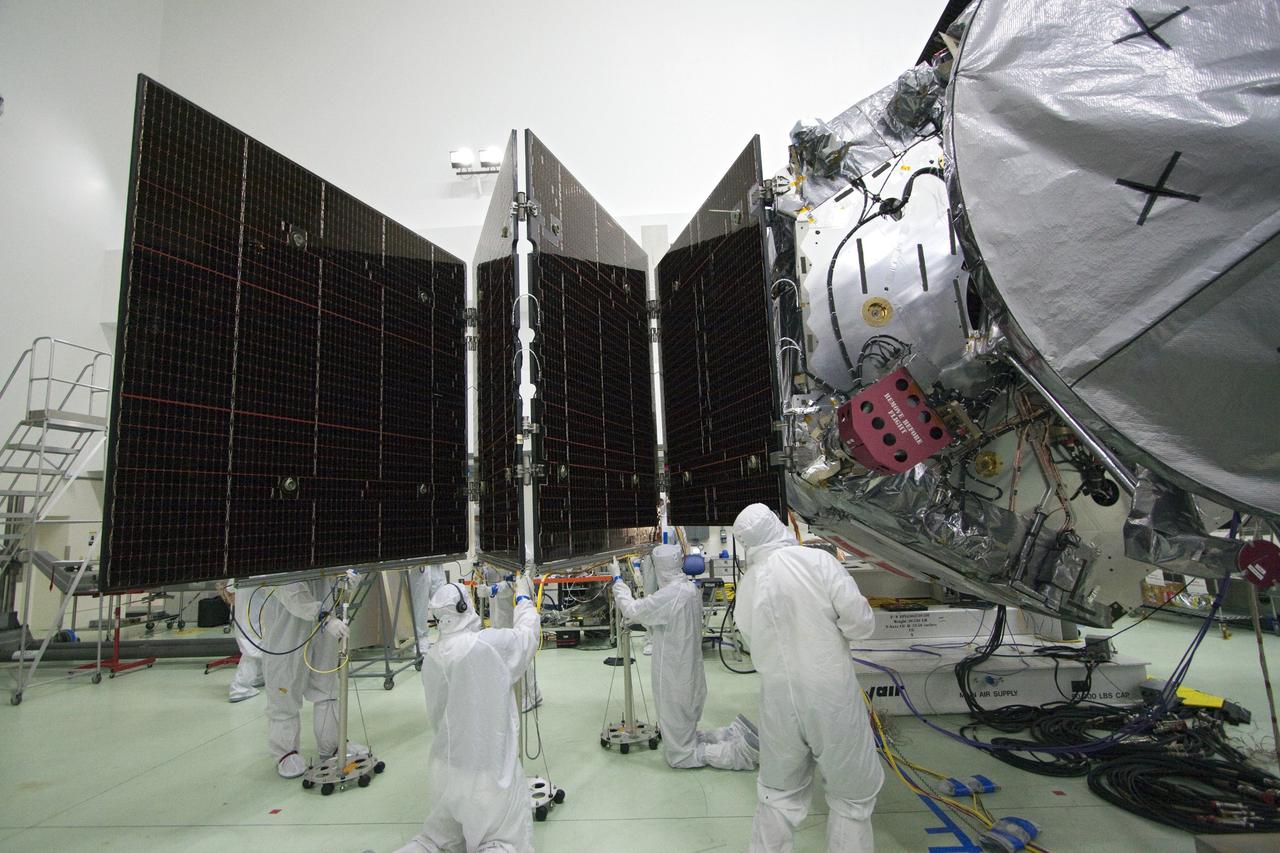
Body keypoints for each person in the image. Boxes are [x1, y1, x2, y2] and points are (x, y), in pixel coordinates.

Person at [732, 503, 883, 853]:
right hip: (830, 697)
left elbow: (751, 640)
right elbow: (860, 625)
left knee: (778, 795)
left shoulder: (749, 584)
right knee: (851, 799)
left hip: (779, 701)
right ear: (776, 524)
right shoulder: (818, 562)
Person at [396, 573, 541, 853]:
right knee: (499, 842)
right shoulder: (487, 645)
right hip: (487, 774)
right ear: (464, 607)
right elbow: (527, 637)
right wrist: (523, 598)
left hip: (446, 771)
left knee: (433, 841)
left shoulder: (433, 658)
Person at [611, 544, 759, 771]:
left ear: (659, 568)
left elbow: (634, 610)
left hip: (674, 676)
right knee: (684, 727)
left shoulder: (669, 595)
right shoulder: (689, 589)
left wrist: (618, 583)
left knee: (679, 755)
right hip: (690, 674)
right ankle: (726, 734)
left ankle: (739, 753)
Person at [262, 577, 357, 779]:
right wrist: (323, 616)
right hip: (288, 627)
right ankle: (285, 752)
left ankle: (332, 745)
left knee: (327, 684)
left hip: (324, 617)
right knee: (284, 688)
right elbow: (290, 590)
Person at [486, 568, 543, 711]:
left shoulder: (522, 553)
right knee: (503, 654)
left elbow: (520, 583)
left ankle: (531, 695)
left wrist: (495, 588)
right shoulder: (491, 552)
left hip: (512, 613)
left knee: (519, 652)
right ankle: (513, 693)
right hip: (498, 612)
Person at [225, 578, 265, 702]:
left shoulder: (242, 563)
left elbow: (229, 589)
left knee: (257, 645)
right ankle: (240, 688)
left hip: (245, 610)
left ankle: (257, 677)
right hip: (254, 612)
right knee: (253, 647)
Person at [408, 564, 448, 652]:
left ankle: (447, 636)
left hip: (436, 564)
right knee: (419, 606)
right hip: (418, 566)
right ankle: (420, 640)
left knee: (442, 603)